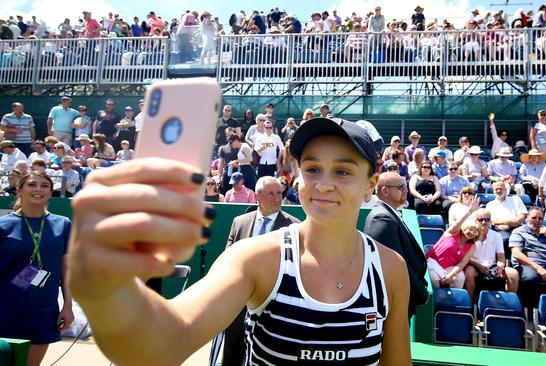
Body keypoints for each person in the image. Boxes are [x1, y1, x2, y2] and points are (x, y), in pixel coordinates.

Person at [67, 117, 411, 365]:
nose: (322, 184)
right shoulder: (255, 259)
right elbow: (166, 344)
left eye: (343, 171)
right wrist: (108, 290)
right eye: (312, 169)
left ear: (371, 183)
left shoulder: (390, 269)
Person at [222, 176, 300, 366]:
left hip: (275, 306)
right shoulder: (239, 222)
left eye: (279, 193)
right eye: (271, 193)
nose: (277, 198)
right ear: (257, 196)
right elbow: (228, 260)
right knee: (232, 355)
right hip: (238, 304)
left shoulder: (294, 227)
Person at [0, 172, 73, 366]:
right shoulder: (3, 225)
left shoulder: (63, 224)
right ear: (19, 190)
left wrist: (67, 306)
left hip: (42, 311)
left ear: (51, 192)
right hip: (5, 309)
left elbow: (67, 270)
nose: (38, 189)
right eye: (32, 185)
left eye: (44, 186)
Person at [364, 172, 428, 318]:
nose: (406, 189)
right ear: (385, 191)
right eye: (401, 186)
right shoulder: (381, 218)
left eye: (405, 185)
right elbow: (395, 265)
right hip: (392, 303)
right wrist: (420, 292)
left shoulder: (390, 214)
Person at [464, 208, 520, 301]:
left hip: (492, 266)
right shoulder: (469, 235)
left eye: (487, 219)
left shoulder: (496, 235)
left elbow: (501, 258)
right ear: (475, 220)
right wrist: (479, 266)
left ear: (490, 220)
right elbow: (465, 257)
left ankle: (510, 304)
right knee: (469, 272)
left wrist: (500, 266)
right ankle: (469, 303)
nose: (484, 222)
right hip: (474, 265)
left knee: (513, 273)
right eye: (481, 219)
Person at [426, 196, 480, 288]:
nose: (472, 233)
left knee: (460, 277)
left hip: (449, 268)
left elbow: (462, 263)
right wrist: (470, 211)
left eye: (475, 231)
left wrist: (451, 275)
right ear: (464, 228)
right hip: (433, 263)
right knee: (434, 279)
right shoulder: (453, 232)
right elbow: (458, 222)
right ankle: (436, 301)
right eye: (470, 229)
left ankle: (455, 301)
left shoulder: (472, 246)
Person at [510, 207, 546, 307]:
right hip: (527, 265)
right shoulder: (519, 231)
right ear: (527, 218)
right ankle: (528, 309)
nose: (537, 220)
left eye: (540, 218)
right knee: (530, 278)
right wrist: (538, 268)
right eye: (534, 217)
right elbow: (516, 254)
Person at [486, 181, 528, 247]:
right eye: (496, 189)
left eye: (501, 188)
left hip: (517, 229)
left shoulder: (516, 199)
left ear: (505, 190)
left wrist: (507, 224)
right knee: (502, 240)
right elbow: (492, 222)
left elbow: (521, 218)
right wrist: (512, 221)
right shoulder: (490, 205)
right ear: (493, 191)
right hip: (500, 230)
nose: (499, 190)